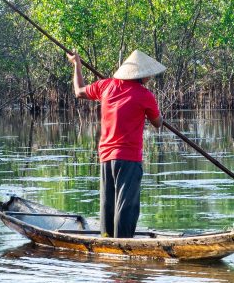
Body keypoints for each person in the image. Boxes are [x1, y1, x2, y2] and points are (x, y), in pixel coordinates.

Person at [69, 49, 164, 238]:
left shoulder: (106, 86)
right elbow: (158, 123)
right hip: (129, 157)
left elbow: (79, 92)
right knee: (127, 205)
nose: (150, 78)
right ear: (141, 76)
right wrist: (158, 116)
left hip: (106, 157)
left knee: (108, 202)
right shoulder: (145, 96)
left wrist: (77, 66)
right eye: (148, 75)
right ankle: (123, 244)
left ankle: (107, 240)